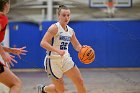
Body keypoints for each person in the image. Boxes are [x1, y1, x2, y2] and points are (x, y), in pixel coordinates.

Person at [38, 5, 87, 93]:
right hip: (52, 60)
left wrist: (83, 49)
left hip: (65, 59)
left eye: (68, 15)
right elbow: (43, 43)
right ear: (59, 16)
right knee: (60, 90)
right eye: (64, 15)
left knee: (80, 81)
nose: (66, 17)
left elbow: (76, 45)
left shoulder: (71, 31)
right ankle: (43, 89)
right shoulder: (54, 28)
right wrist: (57, 51)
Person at [0, 0, 27, 93]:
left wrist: (10, 50)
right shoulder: (1, 17)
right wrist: (4, 54)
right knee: (16, 83)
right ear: (6, 4)